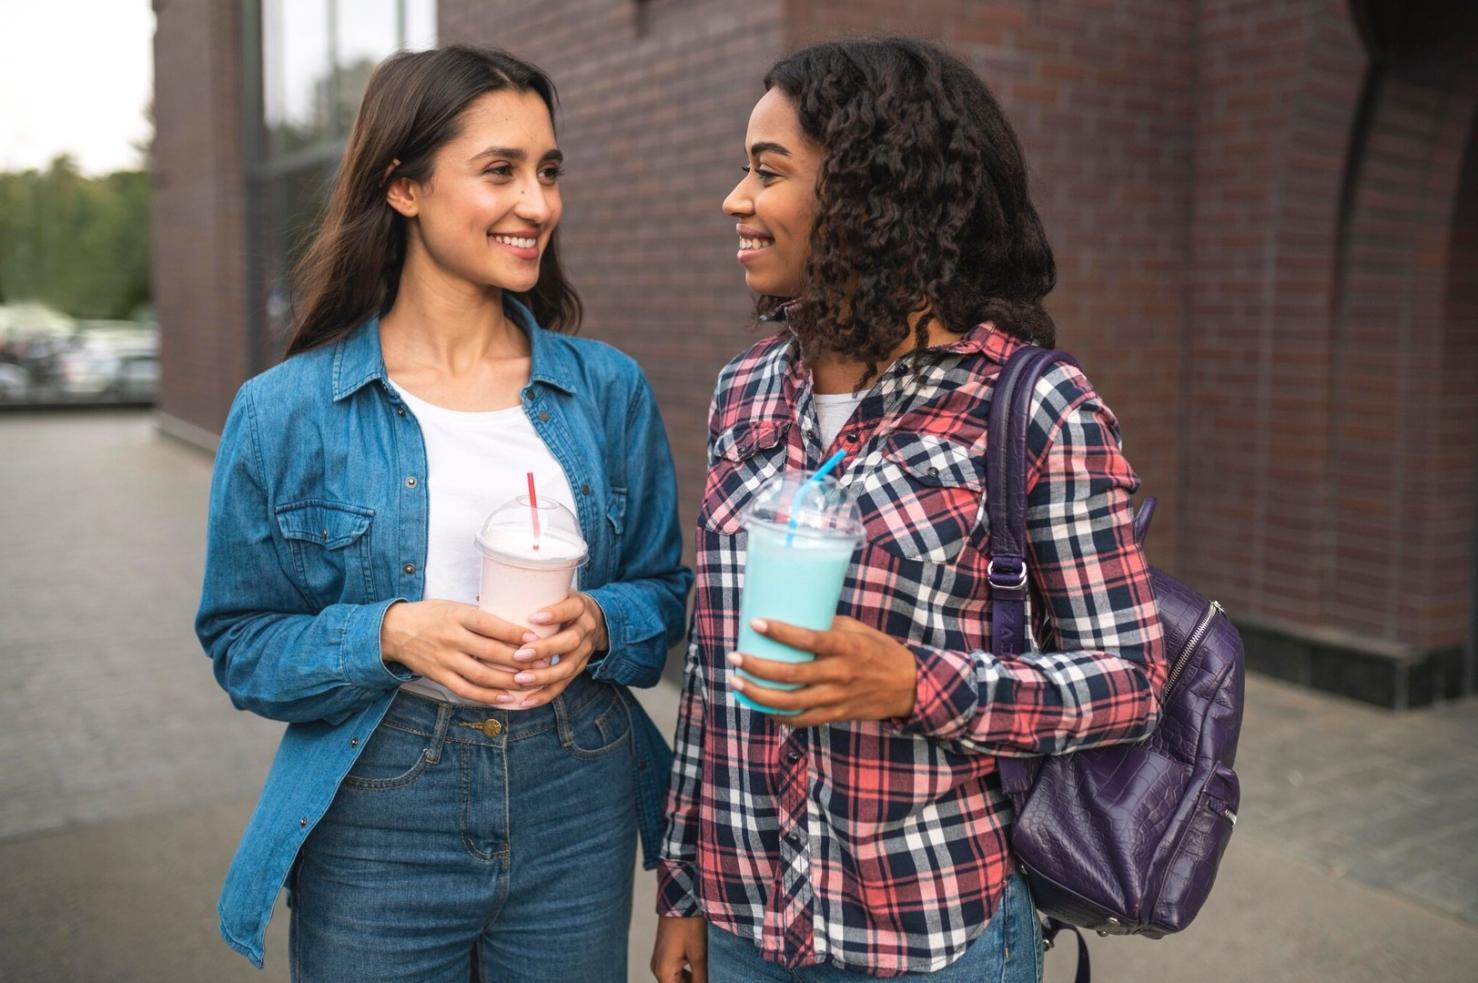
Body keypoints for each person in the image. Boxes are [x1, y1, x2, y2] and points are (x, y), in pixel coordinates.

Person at [651, 38, 1166, 982]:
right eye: (742, 170)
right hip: (744, 925)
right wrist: (683, 889)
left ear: (869, 195)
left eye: (768, 173)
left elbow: (1131, 679)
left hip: (928, 936)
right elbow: (714, 672)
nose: (737, 199)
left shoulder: (1030, 407)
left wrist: (914, 682)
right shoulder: (745, 391)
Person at [196, 46, 691, 981]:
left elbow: (665, 592)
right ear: (405, 187)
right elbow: (241, 644)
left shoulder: (607, 391)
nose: (537, 203)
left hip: (575, 794)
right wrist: (388, 632)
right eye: (499, 171)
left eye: (549, 172)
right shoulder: (283, 411)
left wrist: (600, 622)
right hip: (380, 804)